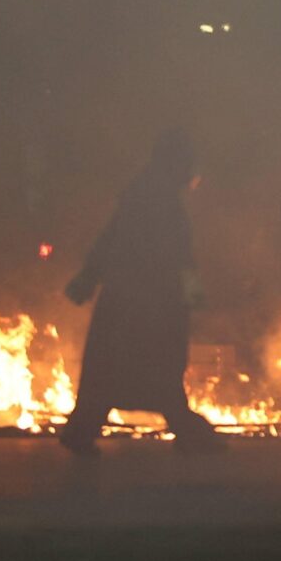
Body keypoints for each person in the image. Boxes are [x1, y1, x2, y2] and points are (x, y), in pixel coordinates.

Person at [58, 131, 222, 456]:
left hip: (127, 301)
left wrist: (89, 278)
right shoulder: (158, 202)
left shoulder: (141, 196)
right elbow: (178, 257)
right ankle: (187, 431)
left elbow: (110, 240)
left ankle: (83, 430)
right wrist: (192, 296)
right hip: (150, 305)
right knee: (155, 370)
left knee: (112, 373)